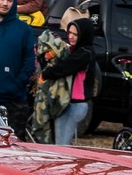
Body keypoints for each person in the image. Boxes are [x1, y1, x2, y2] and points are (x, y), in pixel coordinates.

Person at [0, 0, 35, 139]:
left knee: (15, 144)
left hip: (14, 99)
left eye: (9, 0)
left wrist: (18, 83)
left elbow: (29, 62)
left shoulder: (24, 30)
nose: (5, 3)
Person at [39, 17, 96, 145]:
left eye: (76, 34)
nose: (71, 36)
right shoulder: (74, 50)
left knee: (61, 145)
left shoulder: (85, 53)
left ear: (84, 35)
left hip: (74, 104)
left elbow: (63, 68)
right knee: (60, 143)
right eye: (69, 32)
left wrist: (46, 73)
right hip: (66, 102)